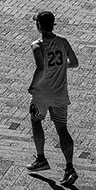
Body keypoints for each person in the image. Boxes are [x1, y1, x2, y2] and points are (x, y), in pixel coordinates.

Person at [27, 10, 76, 181]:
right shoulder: (63, 41)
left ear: (39, 26)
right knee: (62, 129)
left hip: (42, 94)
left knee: (36, 121)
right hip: (60, 95)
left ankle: (41, 159)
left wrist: (32, 86)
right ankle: (69, 167)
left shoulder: (37, 46)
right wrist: (60, 67)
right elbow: (74, 62)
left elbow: (40, 68)